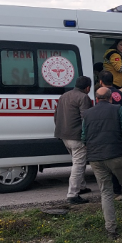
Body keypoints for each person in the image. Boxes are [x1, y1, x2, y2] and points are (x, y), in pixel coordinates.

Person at [82, 87, 122, 240]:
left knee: (106, 191)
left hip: (95, 157)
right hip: (116, 154)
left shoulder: (87, 114)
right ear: (111, 98)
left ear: (96, 99)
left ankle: (111, 229)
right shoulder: (118, 109)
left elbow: (83, 138)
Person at [53, 76, 93, 204]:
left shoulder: (64, 96)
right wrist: (87, 138)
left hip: (64, 135)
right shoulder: (83, 97)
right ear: (87, 88)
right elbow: (86, 119)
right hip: (76, 137)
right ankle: (72, 194)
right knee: (79, 165)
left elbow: (56, 116)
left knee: (77, 162)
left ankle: (81, 187)